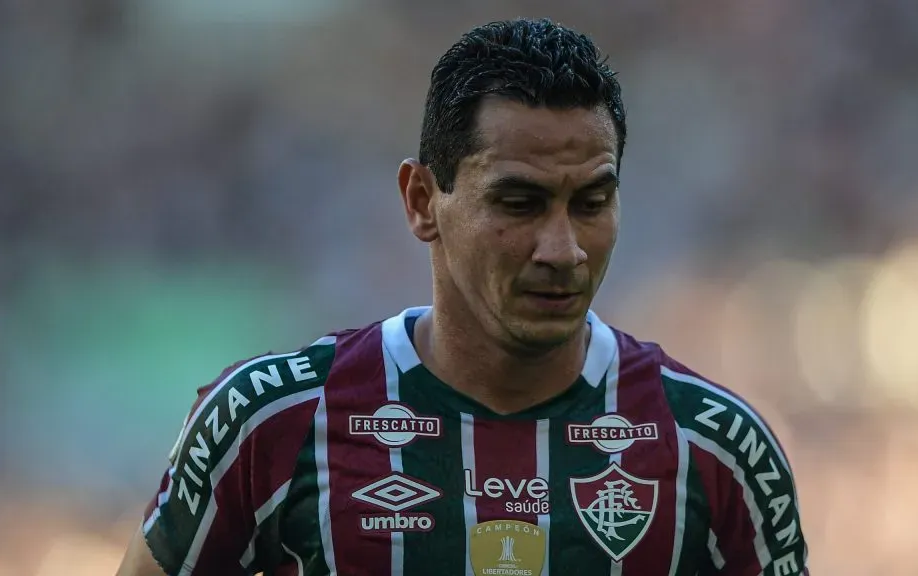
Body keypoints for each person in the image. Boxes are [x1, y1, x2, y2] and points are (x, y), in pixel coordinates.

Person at [116, 17, 809, 576]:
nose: (562, 248)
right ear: (422, 201)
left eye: (592, 202)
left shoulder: (714, 446)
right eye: (519, 201)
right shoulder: (270, 422)